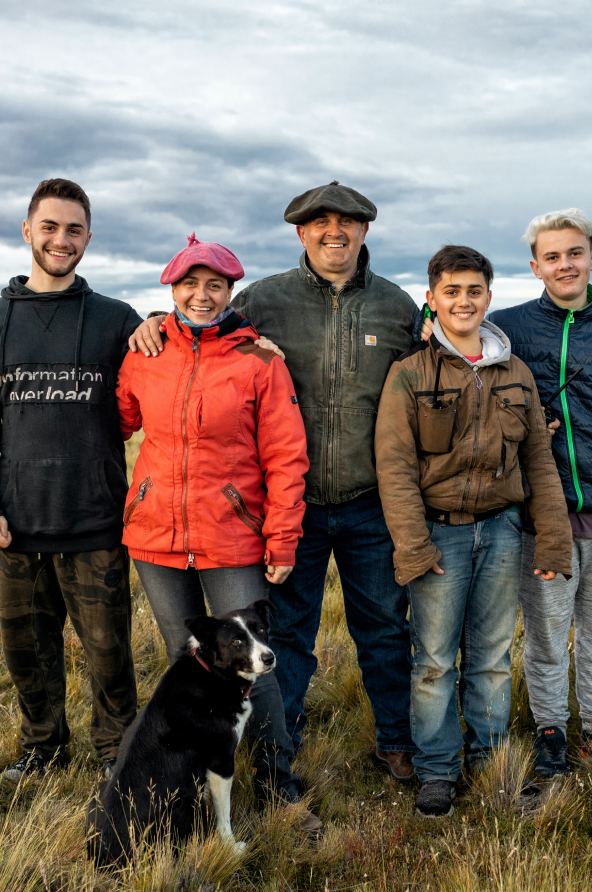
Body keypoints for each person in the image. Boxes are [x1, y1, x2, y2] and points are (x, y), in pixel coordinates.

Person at [130, 182, 419, 780]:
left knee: (386, 631)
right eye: (320, 223)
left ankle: (395, 741)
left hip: (370, 503)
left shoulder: (396, 308)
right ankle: (283, 747)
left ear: (366, 231)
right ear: (301, 232)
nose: (333, 231)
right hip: (290, 509)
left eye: (348, 222)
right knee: (286, 638)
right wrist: (156, 321)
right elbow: (202, 330)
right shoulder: (265, 300)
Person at [116, 234, 323, 834]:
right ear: (171, 290)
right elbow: (123, 418)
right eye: (189, 285)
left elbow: (287, 457)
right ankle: (191, 784)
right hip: (156, 539)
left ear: (231, 291)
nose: (201, 296)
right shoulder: (146, 352)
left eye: (214, 286)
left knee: (254, 671)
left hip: (231, 538)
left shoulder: (260, 361)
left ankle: (280, 786)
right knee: (190, 668)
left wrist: (282, 538)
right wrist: (143, 333)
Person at [375, 245, 572, 816]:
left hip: (504, 533)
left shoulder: (515, 373)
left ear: (489, 296)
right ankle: (437, 769)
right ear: (432, 298)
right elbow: (394, 466)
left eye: (474, 290)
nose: (464, 300)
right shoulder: (409, 373)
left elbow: (539, 460)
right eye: (452, 291)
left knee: (489, 656)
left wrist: (553, 539)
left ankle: (490, 762)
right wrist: (414, 547)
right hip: (440, 537)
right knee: (434, 660)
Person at [0, 179, 152, 782]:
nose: (61, 240)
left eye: (74, 229)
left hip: (94, 523)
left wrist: (166, 320)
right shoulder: (0, 317)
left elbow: (185, 352)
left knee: (110, 655)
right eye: (50, 227)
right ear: (27, 230)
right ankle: (42, 748)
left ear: (89, 237)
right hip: (15, 528)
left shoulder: (116, 319)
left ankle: (118, 753)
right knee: (27, 656)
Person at [485, 210, 592, 775]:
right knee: (544, 632)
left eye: (575, 253)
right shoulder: (505, 327)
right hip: (540, 514)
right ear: (536, 265)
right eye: (553, 256)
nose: (565, 264)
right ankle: (549, 730)